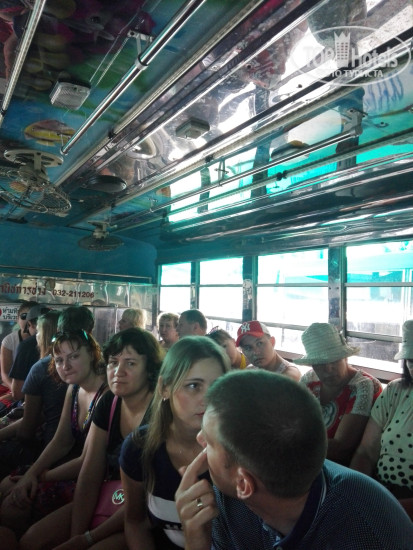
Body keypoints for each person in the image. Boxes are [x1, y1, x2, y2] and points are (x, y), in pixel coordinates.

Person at [176, 370, 413, 550]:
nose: (199, 439)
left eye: (209, 441)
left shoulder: (370, 535)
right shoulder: (227, 500)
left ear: (244, 484)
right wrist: (198, 539)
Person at [19, 327, 164, 550]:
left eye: (130, 363)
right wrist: (75, 535)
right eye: (113, 362)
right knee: (31, 540)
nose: (118, 372)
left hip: (146, 515)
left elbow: (143, 503)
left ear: (150, 369)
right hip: (109, 495)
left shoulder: (160, 413)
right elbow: (90, 473)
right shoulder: (110, 402)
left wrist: (87, 539)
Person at [120, 336, 230, 550]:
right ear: (164, 387)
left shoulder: (239, 453)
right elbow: (135, 522)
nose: (208, 399)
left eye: (217, 387)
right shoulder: (139, 447)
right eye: (193, 386)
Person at [1, 329, 106, 537]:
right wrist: (30, 474)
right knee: (6, 486)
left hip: (98, 481)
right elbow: (61, 441)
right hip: (70, 470)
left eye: (73, 357)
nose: (65, 366)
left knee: (12, 508)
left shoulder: (106, 395)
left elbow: (88, 462)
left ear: (92, 354)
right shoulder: (74, 389)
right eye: (58, 360)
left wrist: (38, 477)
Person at [350, 319, 413, 519]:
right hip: (381, 490)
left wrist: (387, 509)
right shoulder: (396, 391)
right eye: (412, 361)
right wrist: (355, 490)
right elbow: (366, 452)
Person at [295, 322, 382, 465]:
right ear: (312, 365)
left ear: (345, 357)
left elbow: (341, 448)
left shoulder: (362, 386)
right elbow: (292, 419)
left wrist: (292, 442)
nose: (328, 369)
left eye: (334, 361)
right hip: (305, 459)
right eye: (320, 364)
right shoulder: (310, 380)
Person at [0, 310, 66, 478]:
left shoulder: (43, 367)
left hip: (44, 449)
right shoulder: (71, 368)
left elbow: (26, 430)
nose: (35, 336)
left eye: (38, 332)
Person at [9, 304, 51, 401]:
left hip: (31, 404)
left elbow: (17, 394)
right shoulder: (63, 342)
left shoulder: (26, 346)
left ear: (29, 324)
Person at [235, 320, 300, 380]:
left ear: (272, 342)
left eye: (259, 343)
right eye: (248, 348)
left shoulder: (289, 375)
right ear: (242, 352)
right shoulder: (250, 371)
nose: (255, 352)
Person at [0, 301, 32, 391]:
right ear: (17, 319)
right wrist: (16, 391)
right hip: (11, 386)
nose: (28, 321)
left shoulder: (42, 340)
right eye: (24, 316)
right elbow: (5, 374)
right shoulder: (9, 341)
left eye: (32, 317)